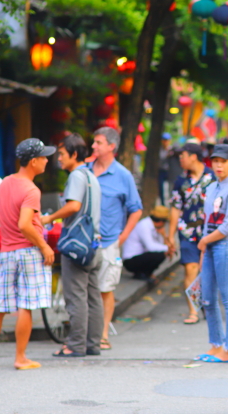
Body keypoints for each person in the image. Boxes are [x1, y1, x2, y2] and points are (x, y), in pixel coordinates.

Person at [0, 139, 56, 370]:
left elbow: (9, 216)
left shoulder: (5, 183)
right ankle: (20, 358)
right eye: (43, 157)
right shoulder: (31, 189)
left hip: (7, 252)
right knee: (26, 306)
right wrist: (44, 246)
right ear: (33, 161)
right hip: (28, 252)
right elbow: (24, 224)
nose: (46, 160)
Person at [40, 134, 103, 358]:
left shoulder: (77, 176)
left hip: (77, 246)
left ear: (74, 155)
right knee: (93, 297)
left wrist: (49, 218)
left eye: (63, 154)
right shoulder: (91, 176)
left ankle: (75, 345)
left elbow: (74, 206)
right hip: (94, 244)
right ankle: (92, 344)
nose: (58, 159)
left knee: (76, 297)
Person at [89, 127, 143, 350]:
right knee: (84, 290)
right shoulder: (85, 171)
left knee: (105, 289)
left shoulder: (123, 175)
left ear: (111, 146)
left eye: (98, 142)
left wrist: (122, 237)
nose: (93, 146)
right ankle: (86, 333)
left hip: (110, 240)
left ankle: (102, 334)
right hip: (85, 242)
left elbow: (136, 209)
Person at [195, 144, 228, 363]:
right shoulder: (212, 187)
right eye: (215, 161)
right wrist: (204, 248)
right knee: (207, 298)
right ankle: (215, 344)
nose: (218, 165)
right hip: (210, 247)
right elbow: (207, 221)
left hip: (226, 246)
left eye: (223, 161)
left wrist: (204, 241)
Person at [169, 141, 215, 325]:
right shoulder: (180, 181)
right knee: (190, 269)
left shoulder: (213, 177)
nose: (180, 159)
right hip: (187, 231)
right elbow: (175, 208)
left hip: (210, 231)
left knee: (208, 270)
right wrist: (170, 235)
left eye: (183, 156)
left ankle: (207, 303)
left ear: (193, 157)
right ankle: (193, 310)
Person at [121, 206, 169, 279]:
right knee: (160, 255)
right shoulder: (144, 225)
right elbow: (151, 247)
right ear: (161, 222)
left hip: (140, 256)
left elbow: (159, 245)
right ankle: (142, 274)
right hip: (130, 260)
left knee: (161, 253)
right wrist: (168, 248)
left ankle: (146, 274)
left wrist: (163, 235)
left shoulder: (153, 227)